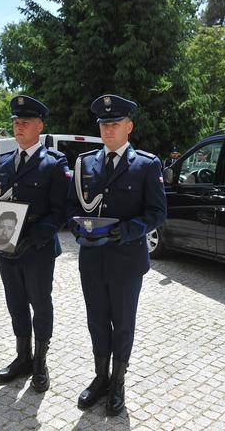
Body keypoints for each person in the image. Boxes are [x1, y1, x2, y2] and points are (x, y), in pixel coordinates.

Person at [67, 94, 167, 415]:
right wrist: (76, 224)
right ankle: (100, 378)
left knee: (122, 323)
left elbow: (157, 213)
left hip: (126, 259)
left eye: (114, 123)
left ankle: (118, 380)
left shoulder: (146, 165)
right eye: (103, 124)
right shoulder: (86, 162)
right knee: (97, 321)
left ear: (129, 126)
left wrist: (125, 230)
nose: (108, 129)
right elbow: (74, 206)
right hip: (92, 259)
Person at [0, 95, 70, 392]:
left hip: (37, 249)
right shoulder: (3, 162)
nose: (19, 127)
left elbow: (60, 210)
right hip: (7, 248)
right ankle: (22, 357)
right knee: (16, 303)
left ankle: (40, 362)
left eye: (25, 122)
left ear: (40, 126)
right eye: (16, 123)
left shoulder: (54, 164)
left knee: (39, 304)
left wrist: (32, 238)